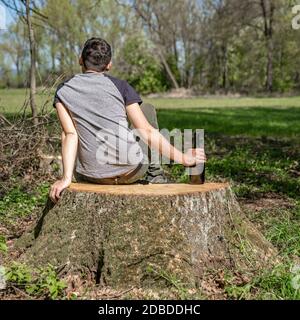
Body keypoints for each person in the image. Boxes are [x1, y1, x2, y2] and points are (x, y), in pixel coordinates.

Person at [50, 37, 206, 202]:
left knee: (75, 128)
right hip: (131, 172)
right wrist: (184, 158)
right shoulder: (120, 86)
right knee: (146, 109)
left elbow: (69, 135)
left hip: (91, 176)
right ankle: (155, 174)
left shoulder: (63, 90)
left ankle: (91, 169)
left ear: (80, 60)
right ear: (109, 64)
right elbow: (146, 131)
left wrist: (66, 178)